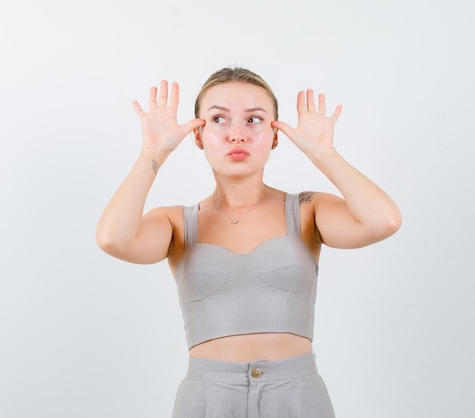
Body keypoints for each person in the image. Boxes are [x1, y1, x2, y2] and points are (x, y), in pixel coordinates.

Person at [96, 67, 401, 418]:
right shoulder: (176, 222)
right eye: (219, 119)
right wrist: (153, 151)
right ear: (198, 135)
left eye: (254, 119)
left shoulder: (306, 210)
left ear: (275, 134)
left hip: (297, 397)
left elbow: (384, 220)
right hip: (207, 400)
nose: (237, 134)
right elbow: (112, 238)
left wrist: (323, 153)